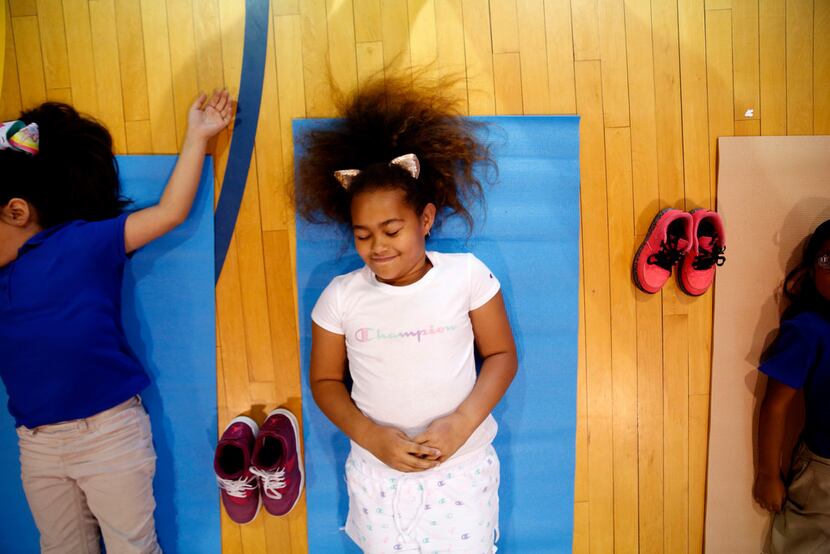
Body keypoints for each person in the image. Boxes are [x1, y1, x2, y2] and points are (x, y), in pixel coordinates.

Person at [0, 91, 232, 553]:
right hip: (38, 444)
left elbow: (168, 213)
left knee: (133, 546)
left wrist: (197, 138)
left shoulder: (81, 242)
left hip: (107, 434)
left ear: (17, 211)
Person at [296, 76, 518, 553]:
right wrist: (370, 436)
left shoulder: (466, 275)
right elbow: (326, 383)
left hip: (463, 466)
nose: (377, 246)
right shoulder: (339, 297)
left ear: (426, 220)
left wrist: (462, 423)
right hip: (379, 473)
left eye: (391, 229)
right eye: (362, 234)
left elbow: (501, 354)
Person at [753, 219, 830, 553]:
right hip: (824, 473)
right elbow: (775, 405)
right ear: (812, 270)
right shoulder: (808, 329)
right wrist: (768, 474)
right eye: (829, 261)